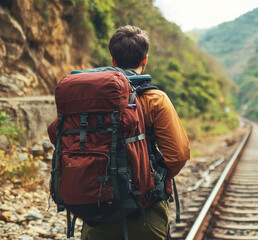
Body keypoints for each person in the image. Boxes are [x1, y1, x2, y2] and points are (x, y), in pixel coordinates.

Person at [80, 25, 190, 240]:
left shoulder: (89, 96)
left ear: (113, 60)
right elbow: (178, 155)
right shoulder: (154, 99)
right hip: (145, 213)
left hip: (96, 210)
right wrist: (150, 181)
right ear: (145, 59)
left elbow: (60, 136)